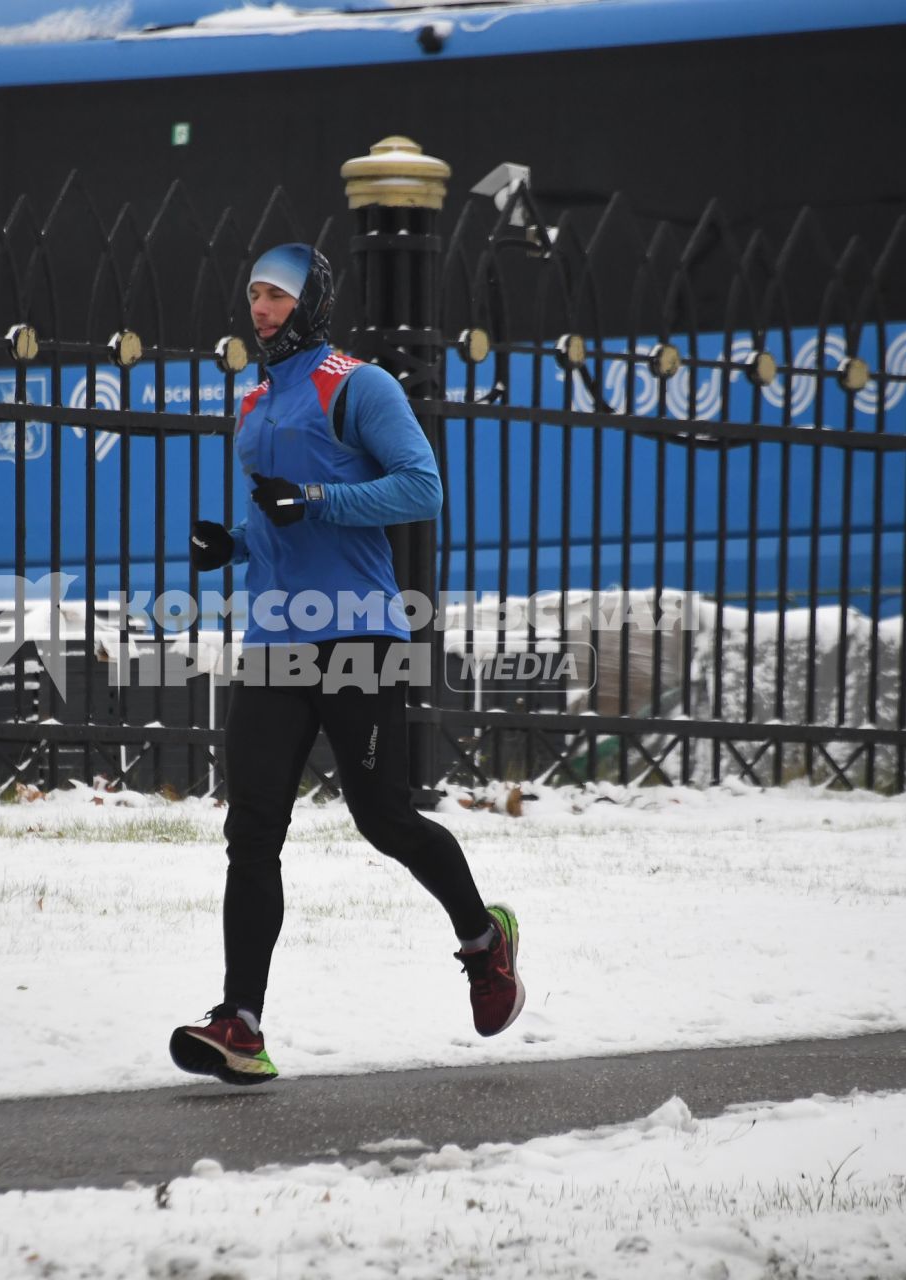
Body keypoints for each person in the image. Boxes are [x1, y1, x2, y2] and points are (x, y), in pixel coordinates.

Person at [167, 243, 523, 1087]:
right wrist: (239, 541)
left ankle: (484, 941)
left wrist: (319, 500)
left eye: (276, 295)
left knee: (384, 820)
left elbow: (421, 489)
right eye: (252, 293)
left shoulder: (359, 384)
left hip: (357, 634)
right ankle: (240, 1024)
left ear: (312, 302)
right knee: (251, 830)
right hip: (275, 638)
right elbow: (284, 517)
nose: (260, 309)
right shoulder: (255, 402)